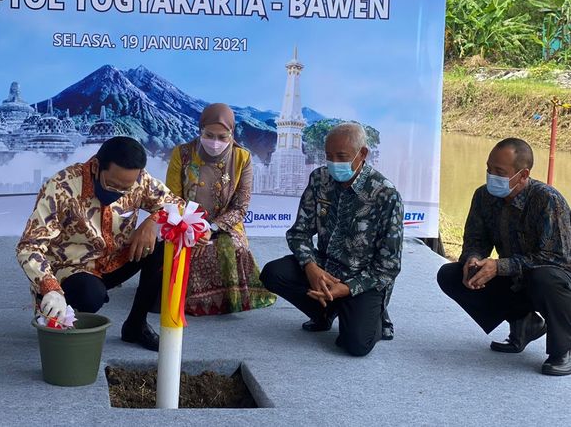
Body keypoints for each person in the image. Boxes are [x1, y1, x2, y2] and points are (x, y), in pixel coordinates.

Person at [16, 136, 204, 352]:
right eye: (112, 185)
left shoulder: (140, 180)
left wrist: (153, 221)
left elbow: (179, 207)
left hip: (116, 260)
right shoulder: (61, 187)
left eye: (126, 189)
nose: (117, 194)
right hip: (70, 269)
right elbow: (29, 245)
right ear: (96, 167)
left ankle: (136, 325)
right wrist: (50, 288)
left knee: (166, 242)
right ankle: (64, 321)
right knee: (89, 295)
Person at [260, 122, 403, 356]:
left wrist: (347, 289)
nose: (334, 163)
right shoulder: (320, 179)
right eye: (329, 156)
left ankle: (377, 318)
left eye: (341, 156)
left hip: (362, 278)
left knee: (356, 345)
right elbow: (299, 233)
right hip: (324, 268)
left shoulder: (385, 195)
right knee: (273, 273)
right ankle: (324, 312)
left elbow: (388, 267)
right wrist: (311, 267)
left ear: (362, 154)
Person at [437, 138, 571, 376]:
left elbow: (556, 259)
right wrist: (473, 260)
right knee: (451, 275)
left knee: (545, 277)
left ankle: (563, 349)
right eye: (489, 169)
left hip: (554, 283)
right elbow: (475, 241)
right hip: (515, 277)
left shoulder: (548, 200)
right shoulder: (483, 197)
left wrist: (500, 266)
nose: (491, 176)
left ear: (523, 174)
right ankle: (524, 323)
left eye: (499, 172)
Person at [165, 103, 275, 315]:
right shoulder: (183, 154)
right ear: (200, 130)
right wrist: (191, 229)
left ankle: (225, 299)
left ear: (231, 134)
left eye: (222, 137)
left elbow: (240, 206)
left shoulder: (242, 157)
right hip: (185, 225)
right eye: (209, 135)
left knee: (233, 247)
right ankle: (190, 300)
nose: (215, 142)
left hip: (225, 224)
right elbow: (173, 199)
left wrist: (211, 228)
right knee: (188, 250)